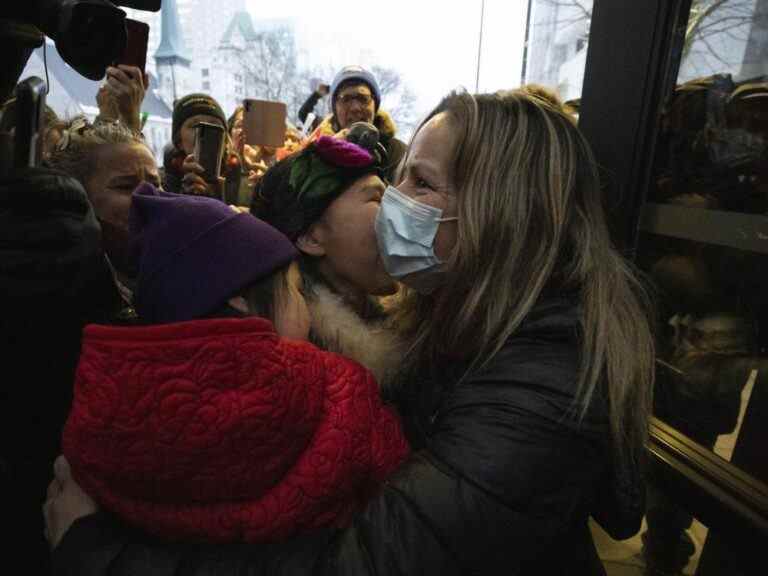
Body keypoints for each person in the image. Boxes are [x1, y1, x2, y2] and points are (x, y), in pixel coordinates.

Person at [45, 87, 655, 575]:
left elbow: (376, 559)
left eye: (420, 182)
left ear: (504, 211)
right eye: (393, 182)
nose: (395, 201)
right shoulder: (450, 320)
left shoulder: (542, 385)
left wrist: (101, 553)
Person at [59, 183, 408, 544]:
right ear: (241, 299)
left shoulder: (104, 419)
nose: (306, 310)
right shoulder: (340, 392)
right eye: (295, 291)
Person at [45, 117, 161, 322]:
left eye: (155, 184)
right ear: (79, 196)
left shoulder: (180, 269)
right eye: (125, 186)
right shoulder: (59, 288)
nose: (150, 198)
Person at [308, 65, 406, 182]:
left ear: (375, 106)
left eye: (363, 98)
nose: (355, 108)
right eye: (345, 99)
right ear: (335, 110)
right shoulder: (318, 153)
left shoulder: (398, 153)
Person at [162, 93, 242, 204]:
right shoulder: (164, 183)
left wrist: (219, 198)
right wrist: (185, 196)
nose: (205, 133)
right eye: (195, 125)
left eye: (214, 125)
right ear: (179, 141)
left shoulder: (237, 174)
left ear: (225, 139)